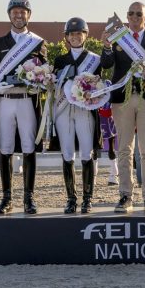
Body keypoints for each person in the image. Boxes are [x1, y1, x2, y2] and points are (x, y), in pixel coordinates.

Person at [101, 2, 145, 213]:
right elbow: (107, 65)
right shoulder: (118, 36)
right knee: (124, 149)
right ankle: (125, 195)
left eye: (139, 13)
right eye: (131, 13)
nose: (135, 17)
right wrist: (106, 47)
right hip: (123, 99)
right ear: (126, 16)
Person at [0, 0, 46, 215]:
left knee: (29, 147)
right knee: (6, 148)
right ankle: (6, 198)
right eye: (15, 12)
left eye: (22, 12)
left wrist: (40, 82)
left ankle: (29, 198)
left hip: (26, 100)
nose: (19, 15)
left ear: (28, 15)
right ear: (9, 15)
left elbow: (45, 71)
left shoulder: (38, 42)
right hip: (5, 101)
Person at [53, 18, 104, 214]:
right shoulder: (59, 61)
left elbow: (100, 87)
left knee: (86, 153)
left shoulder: (95, 59)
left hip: (85, 110)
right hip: (64, 110)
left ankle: (87, 198)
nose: (75, 36)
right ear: (66, 37)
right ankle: (71, 198)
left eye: (79, 33)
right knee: (67, 153)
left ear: (85, 35)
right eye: (72, 34)